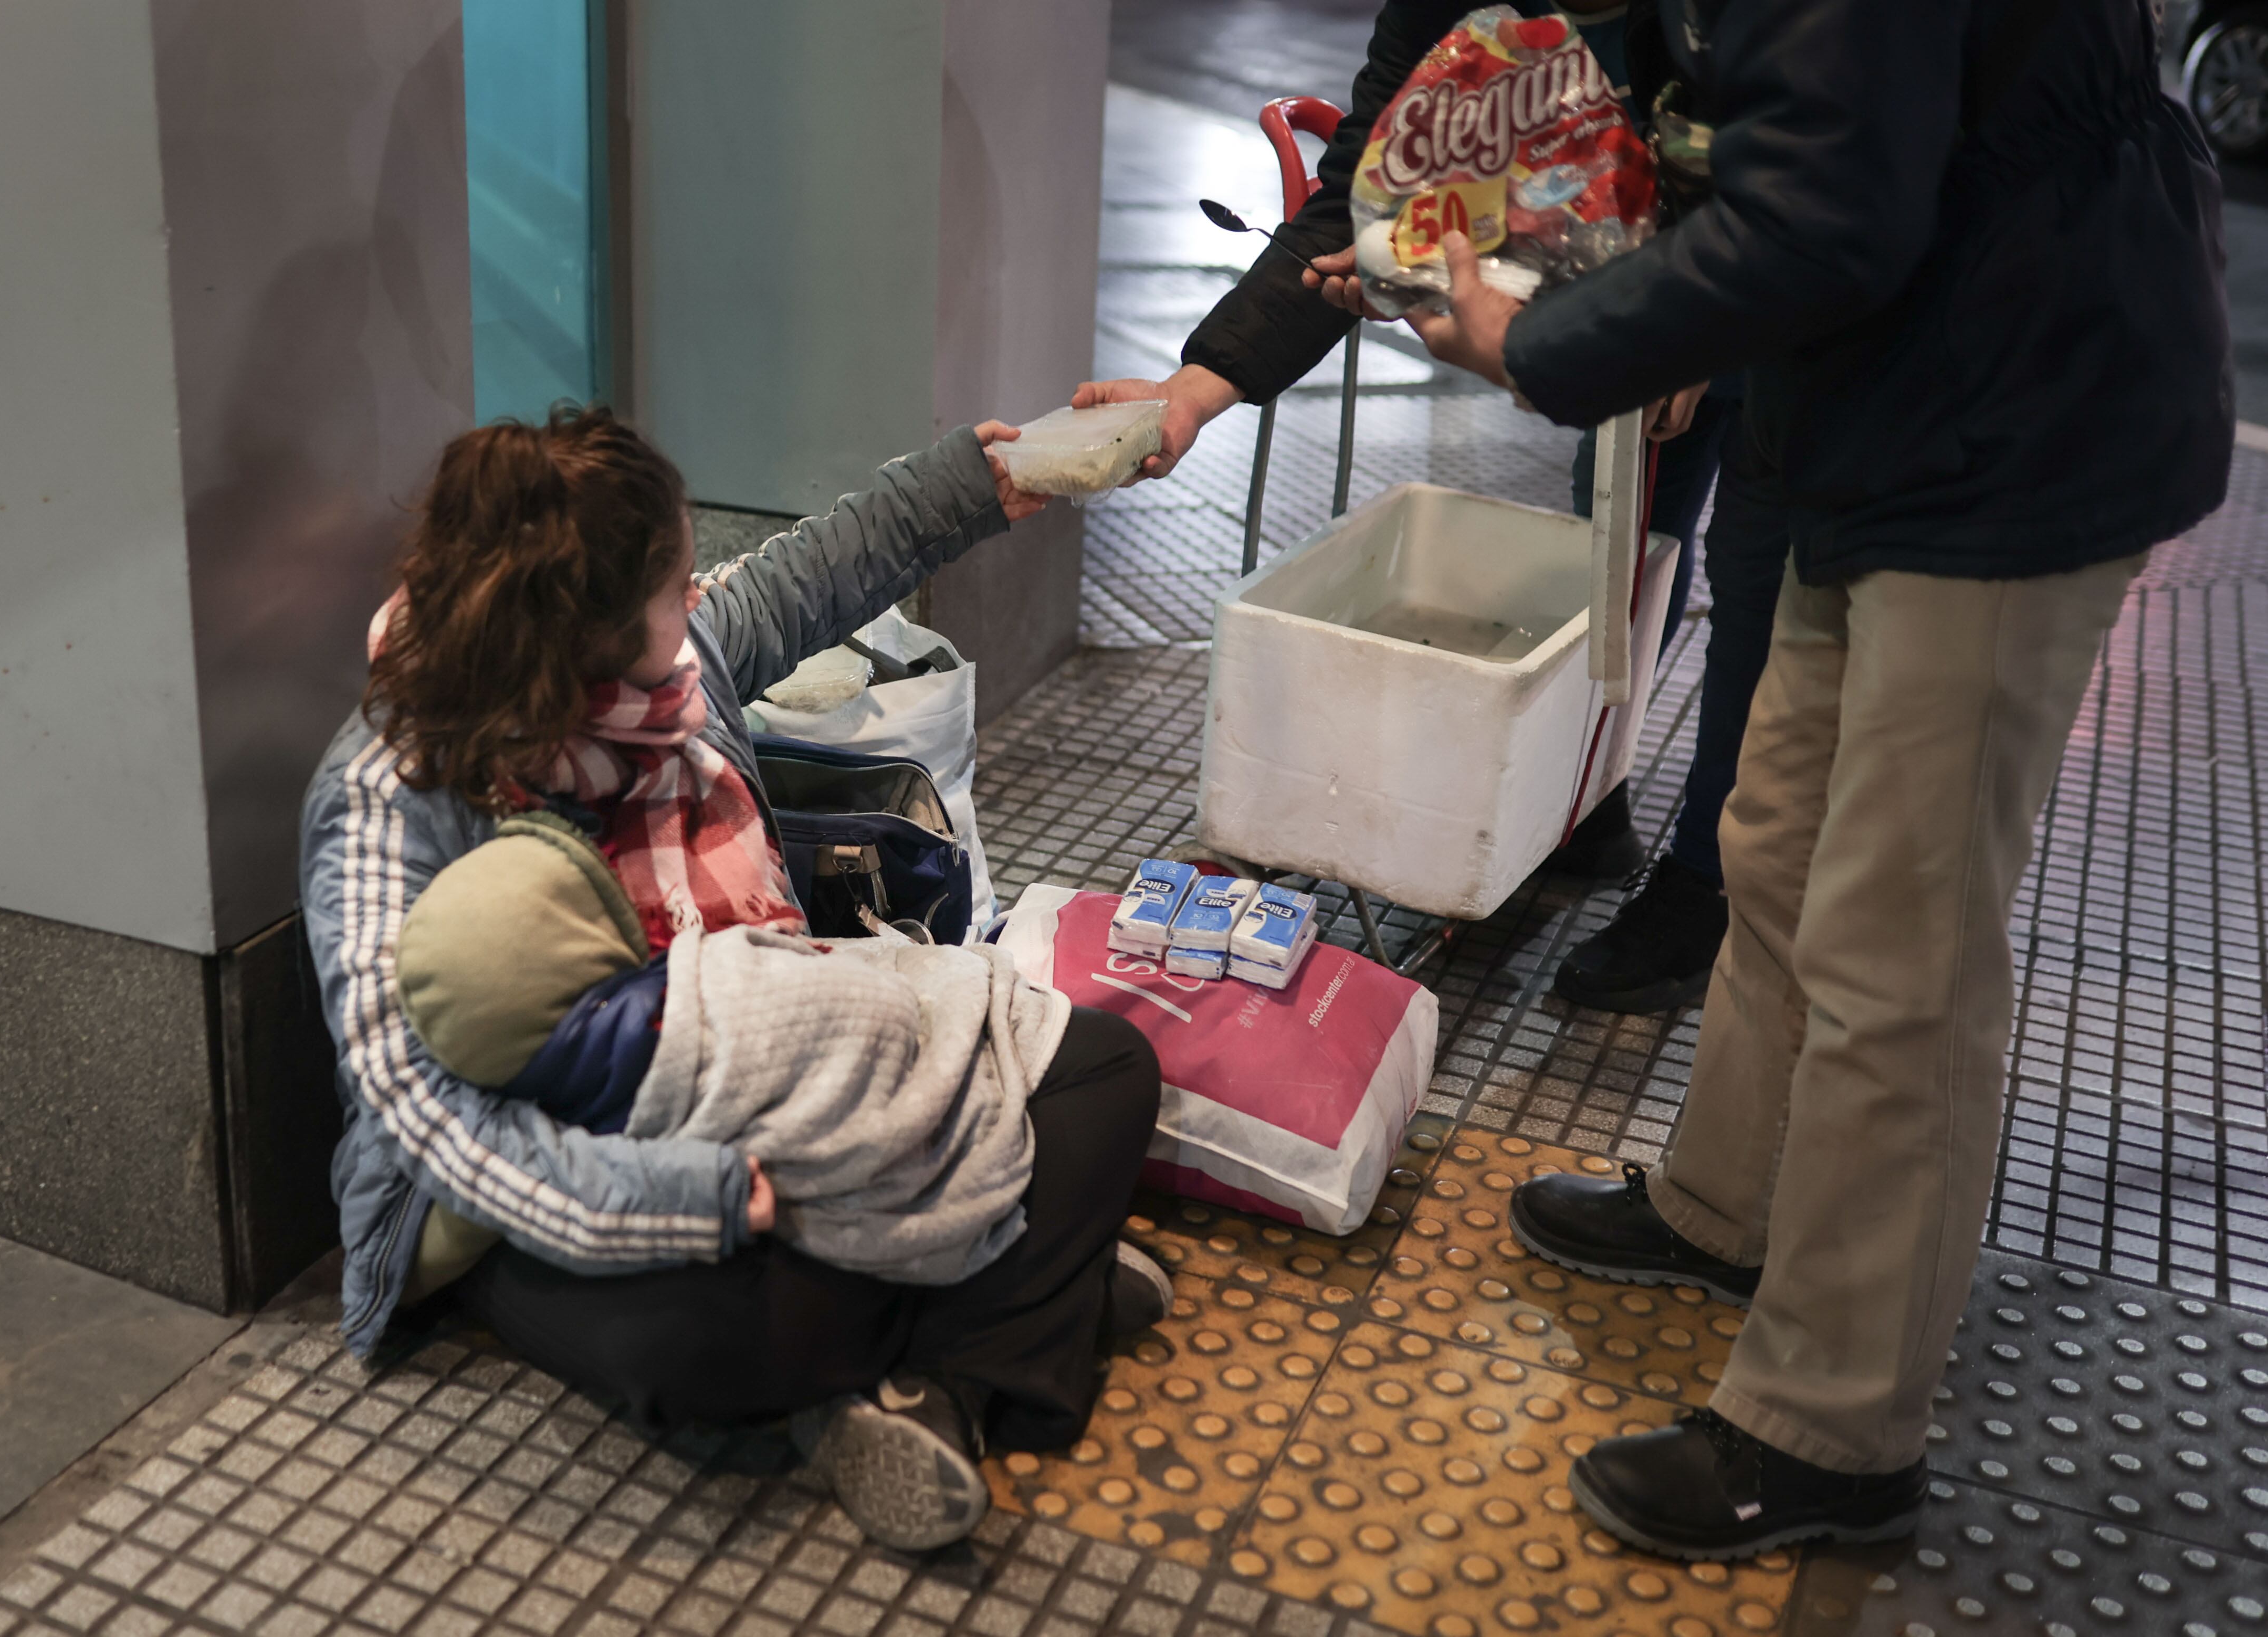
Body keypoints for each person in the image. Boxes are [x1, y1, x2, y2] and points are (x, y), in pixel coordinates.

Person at [1309, 0, 2229, 1558]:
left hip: (2017, 427)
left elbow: (1824, 214)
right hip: (1897, 408)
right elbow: (1724, 114)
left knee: (1901, 943)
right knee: (1782, 840)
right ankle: (1724, 1209)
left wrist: (1544, 343)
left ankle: (1833, 1427)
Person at [300, 406, 1175, 1553]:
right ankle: (1003, 1289)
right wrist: (698, 1199)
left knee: (1106, 1069)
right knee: (709, 1340)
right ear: (594, 637)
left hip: (782, 1069)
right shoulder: (385, 796)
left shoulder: (676, 667)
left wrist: (988, 475)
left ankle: (940, 1369)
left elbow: (813, 570)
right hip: (581, 1174)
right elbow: (429, 1119)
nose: (699, 597)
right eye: (676, 582)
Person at [1074, 0, 1777, 1014]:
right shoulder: (1446, 7)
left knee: (1760, 600)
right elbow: (1357, 202)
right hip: (1640, 310)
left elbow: (1803, 188)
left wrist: (1692, 326)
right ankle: (1585, 794)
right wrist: (1195, 386)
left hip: (1788, 325)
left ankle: (1706, 881)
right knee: (1614, 552)